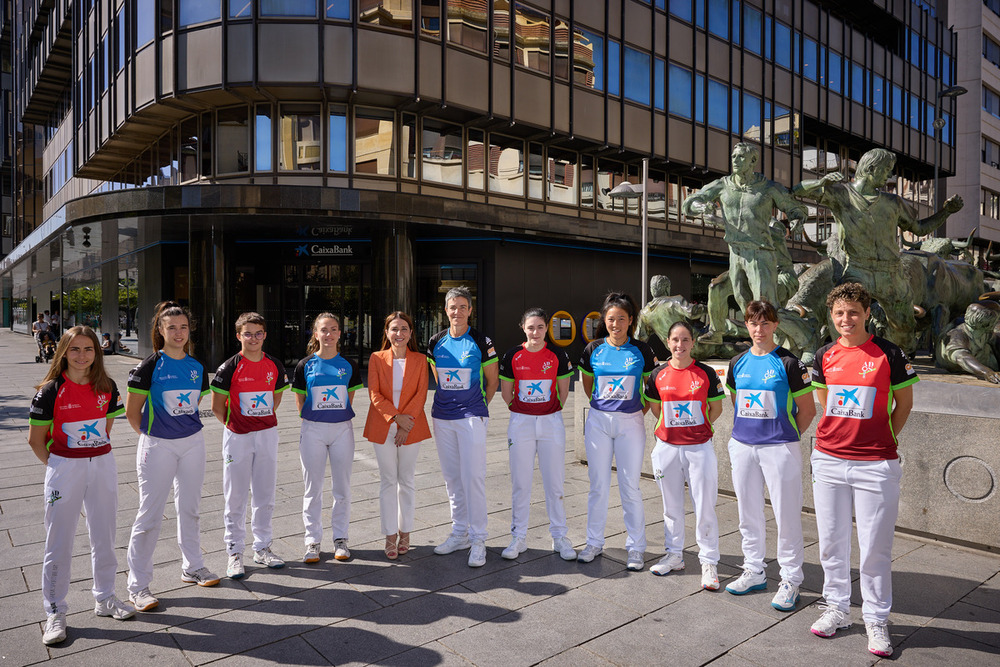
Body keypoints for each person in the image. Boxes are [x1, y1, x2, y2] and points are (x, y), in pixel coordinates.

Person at [809, 283, 918, 658]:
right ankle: (836, 608)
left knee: (874, 547)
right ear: (832, 316)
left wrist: (883, 436)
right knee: (832, 541)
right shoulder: (823, 354)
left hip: (876, 463)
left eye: (853, 312)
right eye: (839, 313)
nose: (846, 319)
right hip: (828, 459)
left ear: (867, 313)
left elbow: (903, 404)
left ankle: (876, 618)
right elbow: (826, 403)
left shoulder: (888, 353)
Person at [793, 148, 963, 352]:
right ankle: (848, 358)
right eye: (887, 170)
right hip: (857, 270)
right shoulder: (841, 194)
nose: (889, 175)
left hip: (890, 273)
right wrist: (821, 182)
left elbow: (919, 228)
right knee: (846, 316)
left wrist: (946, 212)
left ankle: (896, 360)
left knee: (905, 328)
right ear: (872, 169)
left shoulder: (893, 202)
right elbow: (797, 191)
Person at [28, 326, 133, 646]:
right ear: (62, 352)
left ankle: (105, 598)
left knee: (105, 534)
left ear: (97, 353)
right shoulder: (49, 391)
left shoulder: (107, 386)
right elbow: (35, 440)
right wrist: (60, 466)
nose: (82, 355)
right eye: (75, 349)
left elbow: (106, 427)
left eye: (89, 349)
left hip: (102, 465)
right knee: (58, 542)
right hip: (63, 468)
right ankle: (55, 610)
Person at [124, 302, 219, 613]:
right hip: (158, 446)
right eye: (171, 328)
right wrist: (155, 438)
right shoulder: (149, 366)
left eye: (183, 327)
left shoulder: (196, 368)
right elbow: (132, 413)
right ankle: (138, 587)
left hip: (193, 444)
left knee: (190, 509)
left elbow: (191, 407)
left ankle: (193, 566)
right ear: (160, 331)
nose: (179, 333)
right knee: (149, 517)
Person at [723, 300, 815, 611]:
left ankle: (790, 579)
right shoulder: (737, 363)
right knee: (747, 513)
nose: (759, 329)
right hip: (743, 445)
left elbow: (808, 409)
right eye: (753, 323)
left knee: (786, 516)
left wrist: (785, 437)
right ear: (746, 325)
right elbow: (737, 401)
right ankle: (754, 570)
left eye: (765, 323)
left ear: (775, 325)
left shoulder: (789, 363)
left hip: (779, 448)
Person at [681, 142, 807, 342]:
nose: (735, 160)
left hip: (760, 253)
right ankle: (718, 333)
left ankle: (803, 338)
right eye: (733, 157)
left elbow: (795, 208)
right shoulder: (723, 185)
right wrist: (700, 206)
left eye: (741, 157)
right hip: (736, 253)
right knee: (734, 298)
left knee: (765, 307)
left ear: (753, 161)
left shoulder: (768, 188)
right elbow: (689, 203)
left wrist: (796, 219)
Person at [642, 321, 725, 588]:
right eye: (675, 340)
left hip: (699, 448)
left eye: (685, 340)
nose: (680, 345)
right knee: (671, 506)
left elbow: (716, 409)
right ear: (668, 342)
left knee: (704, 506)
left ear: (693, 343)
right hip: (667, 447)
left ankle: (709, 561)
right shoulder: (657, 374)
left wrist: (696, 430)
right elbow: (656, 409)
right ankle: (674, 555)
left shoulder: (706, 373)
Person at [578, 292, 656, 570]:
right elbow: (588, 386)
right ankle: (593, 542)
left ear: (630, 321)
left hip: (630, 422)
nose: (615, 324)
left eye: (621, 319)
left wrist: (636, 412)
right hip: (599, 421)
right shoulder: (593, 349)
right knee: (598, 485)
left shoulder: (642, 351)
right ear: (605, 321)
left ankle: (636, 548)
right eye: (611, 319)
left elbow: (650, 388)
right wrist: (604, 408)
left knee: (630, 486)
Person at [211, 312, 290, 578]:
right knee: (236, 496)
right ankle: (234, 552)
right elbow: (217, 407)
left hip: (267, 434)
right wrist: (238, 426)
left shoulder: (275, 365)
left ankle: (263, 547)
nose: (253, 338)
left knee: (265, 493)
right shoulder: (229, 367)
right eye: (248, 334)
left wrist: (258, 422)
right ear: (239, 336)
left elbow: (275, 398)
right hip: (237, 436)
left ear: (265, 335)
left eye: (258, 333)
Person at [427, 286, 499, 568]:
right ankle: (460, 533)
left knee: (473, 477)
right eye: (452, 307)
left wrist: (478, 407)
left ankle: (479, 538)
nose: (457, 311)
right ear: (445, 311)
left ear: (470, 310)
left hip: (471, 417)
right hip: (442, 416)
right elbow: (439, 380)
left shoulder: (482, 341)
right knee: (452, 477)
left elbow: (492, 382)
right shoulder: (435, 342)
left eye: (462, 307)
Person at [497, 307, 577, 562]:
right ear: (523, 327)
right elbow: (506, 394)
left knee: (555, 484)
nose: (535, 332)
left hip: (551, 423)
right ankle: (518, 537)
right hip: (520, 423)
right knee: (521, 483)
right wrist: (524, 412)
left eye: (540, 327)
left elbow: (563, 393)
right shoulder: (512, 355)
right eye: (530, 327)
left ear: (547, 329)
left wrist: (547, 411)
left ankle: (559, 536)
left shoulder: (557, 354)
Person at [292, 313, 363, 563]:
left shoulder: (349, 365)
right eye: (324, 330)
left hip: (342, 429)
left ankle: (341, 539)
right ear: (316, 333)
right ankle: (312, 542)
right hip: (313, 430)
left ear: (340, 334)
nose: (329, 334)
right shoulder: (304, 365)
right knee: (313, 489)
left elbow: (349, 399)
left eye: (334, 329)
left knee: (342, 487)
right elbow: (300, 402)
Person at [363, 311, 431, 560]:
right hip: (383, 424)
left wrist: (405, 424)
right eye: (394, 329)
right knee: (389, 481)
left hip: (411, 426)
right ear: (386, 332)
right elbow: (374, 394)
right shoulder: (376, 358)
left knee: (407, 480)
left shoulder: (420, 360)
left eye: (404, 329)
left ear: (411, 333)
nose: (399, 334)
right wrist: (395, 418)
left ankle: (406, 532)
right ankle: (390, 534)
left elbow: (421, 394)